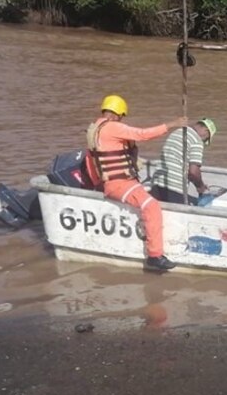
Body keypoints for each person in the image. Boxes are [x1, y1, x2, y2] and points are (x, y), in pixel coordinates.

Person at [85, 94, 187, 271]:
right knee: (152, 206)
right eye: (122, 116)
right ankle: (155, 255)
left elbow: (90, 161)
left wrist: (97, 185)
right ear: (118, 114)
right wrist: (172, 124)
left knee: (148, 199)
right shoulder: (113, 127)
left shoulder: (94, 129)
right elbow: (142, 134)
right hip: (120, 184)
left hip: (114, 183)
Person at [150, 118, 218, 204]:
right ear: (206, 131)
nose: (203, 141)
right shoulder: (196, 139)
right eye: (206, 139)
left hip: (156, 185)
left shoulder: (177, 132)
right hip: (174, 189)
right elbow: (193, 172)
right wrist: (200, 187)